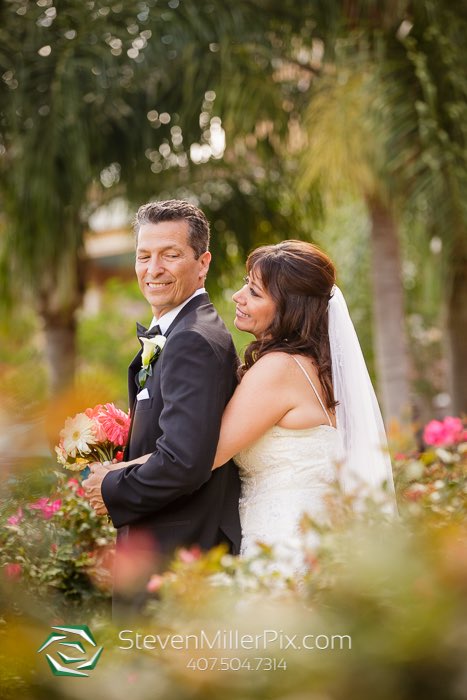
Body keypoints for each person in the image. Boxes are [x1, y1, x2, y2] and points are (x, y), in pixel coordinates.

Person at [82, 200, 241, 603]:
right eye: (143, 256)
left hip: (176, 561)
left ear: (202, 263)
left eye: (170, 255)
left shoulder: (193, 340)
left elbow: (184, 462)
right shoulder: (178, 332)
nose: (153, 269)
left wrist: (111, 486)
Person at [210, 240, 395, 569]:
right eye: (245, 285)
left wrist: (123, 471)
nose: (238, 297)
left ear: (288, 309)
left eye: (254, 292)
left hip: (281, 550)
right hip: (321, 545)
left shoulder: (279, 369)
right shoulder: (323, 371)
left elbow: (204, 455)